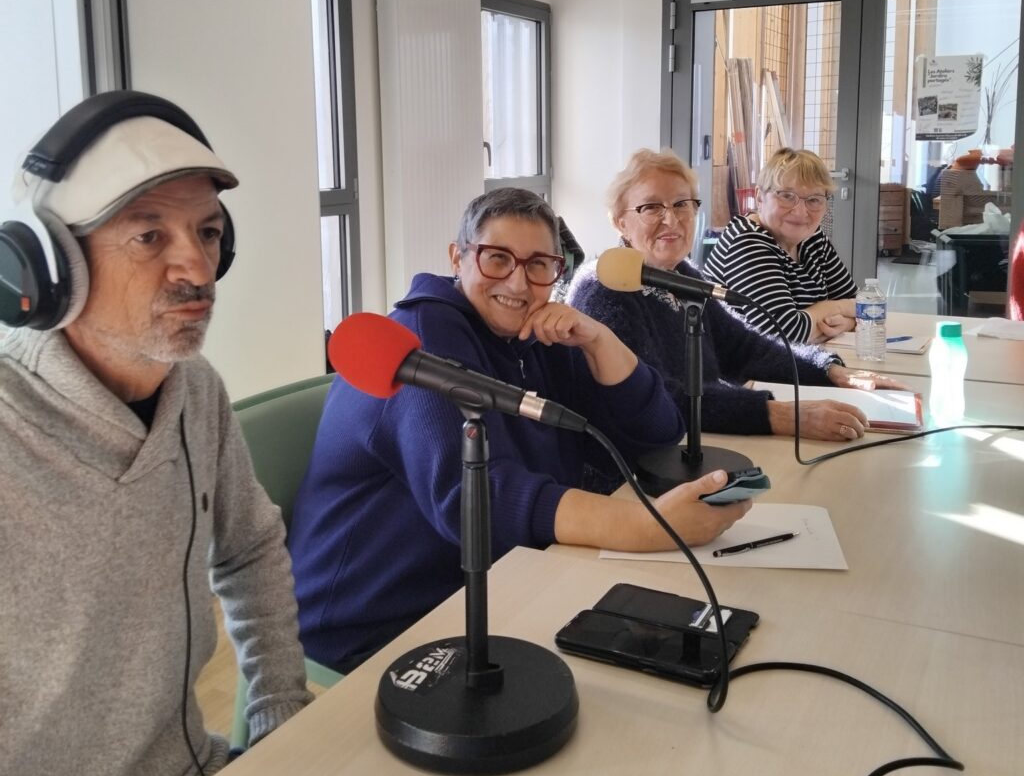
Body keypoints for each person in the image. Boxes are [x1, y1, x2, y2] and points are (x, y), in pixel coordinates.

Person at [0, 91, 312, 776]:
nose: (197, 268)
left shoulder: (195, 392)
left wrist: (278, 712)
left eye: (208, 233)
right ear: (53, 266)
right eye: (149, 235)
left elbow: (248, 548)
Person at [288, 188, 750, 673]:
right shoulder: (420, 345)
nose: (518, 281)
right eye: (497, 259)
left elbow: (655, 437)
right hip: (373, 628)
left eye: (538, 265)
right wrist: (648, 526)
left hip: (499, 586)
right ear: (458, 257)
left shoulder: (539, 334)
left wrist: (601, 341)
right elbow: (475, 499)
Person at [567, 149, 906, 441]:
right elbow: (653, 400)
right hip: (630, 466)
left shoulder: (681, 274)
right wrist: (779, 415)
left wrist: (830, 372)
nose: (671, 219)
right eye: (652, 207)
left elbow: (744, 348)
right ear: (620, 222)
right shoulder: (603, 289)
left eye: (682, 204)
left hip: (692, 440)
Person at [703, 147, 857, 343]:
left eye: (814, 200)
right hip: (739, 363)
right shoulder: (747, 242)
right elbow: (783, 334)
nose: (800, 212)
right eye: (787, 196)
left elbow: (867, 307)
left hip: (802, 357)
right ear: (760, 197)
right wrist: (833, 308)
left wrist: (848, 323)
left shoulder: (812, 238)